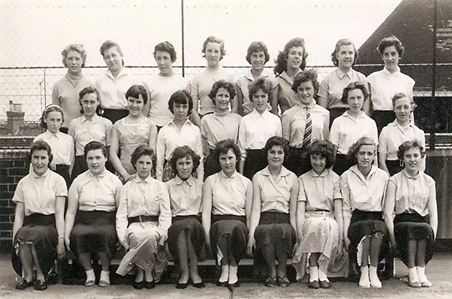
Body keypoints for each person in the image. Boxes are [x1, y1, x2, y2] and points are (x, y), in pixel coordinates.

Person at [65, 141, 123, 287]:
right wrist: (66, 234)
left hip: (107, 219)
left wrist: (121, 233)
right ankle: (89, 272)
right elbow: (71, 211)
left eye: (98, 157)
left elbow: (120, 210)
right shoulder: (78, 181)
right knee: (77, 235)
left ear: (105, 158)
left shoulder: (115, 181)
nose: (94, 162)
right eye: (90, 158)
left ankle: (105, 272)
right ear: (85, 160)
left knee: (105, 234)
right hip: (84, 219)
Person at [12, 141, 67, 291]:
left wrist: (61, 240)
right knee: (22, 234)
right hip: (29, 223)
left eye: (43, 158)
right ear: (31, 159)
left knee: (35, 235)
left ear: (49, 159)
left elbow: (60, 213)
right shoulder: (23, 182)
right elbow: (19, 215)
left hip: (49, 224)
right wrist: (14, 237)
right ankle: (28, 276)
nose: (39, 162)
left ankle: (42, 276)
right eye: (36, 157)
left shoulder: (58, 180)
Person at [116, 145, 171, 290]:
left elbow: (165, 213)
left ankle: (143, 271)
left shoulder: (160, 186)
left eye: (148, 163)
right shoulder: (127, 187)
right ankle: (145, 271)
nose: (144, 167)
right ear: (134, 164)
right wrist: (122, 238)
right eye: (141, 162)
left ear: (152, 165)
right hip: (134, 225)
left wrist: (163, 232)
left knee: (151, 235)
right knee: (136, 235)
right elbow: (121, 215)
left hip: (154, 225)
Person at [292, 140, 346, 289]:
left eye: (321, 158)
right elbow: (300, 210)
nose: (317, 162)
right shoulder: (302, 179)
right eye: (314, 158)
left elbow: (339, 211)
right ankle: (314, 268)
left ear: (327, 159)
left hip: (329, 217)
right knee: (317, 224)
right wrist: (299, 234)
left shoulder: (335, 179)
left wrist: (341, 238)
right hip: (310, 217)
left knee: (329, 225)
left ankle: (322, 270)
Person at [384, 140, 437, 288]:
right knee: (411, 229)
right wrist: (392, 239)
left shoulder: (429, 181)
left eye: (416, 155)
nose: (412, 160)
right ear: (402, 158)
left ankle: (421, 272)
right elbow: (388, 213)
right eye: (408, 156)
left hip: (421, 221)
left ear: (421, 157)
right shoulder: (394, 180)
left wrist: (433, 236)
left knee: (424, 229)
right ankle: (412, 271)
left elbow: (433, 214)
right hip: (401, 223)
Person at [247, 137, 298, 287]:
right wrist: (251, 235)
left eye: (280, 153)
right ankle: (271, 272)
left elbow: (293, 212)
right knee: (264, 230)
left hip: (284, 218)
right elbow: (256, 208)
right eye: (272, 152)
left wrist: (297, 236)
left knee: (285, 230)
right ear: (266, 154)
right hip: (265, 217)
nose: (276, 156)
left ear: (284, 155)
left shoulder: (292, 177)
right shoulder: (258, 177)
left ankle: (282, 271)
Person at [202, 139, 252, 288]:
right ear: (218, 160)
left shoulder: (246, 182)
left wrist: (250, 235)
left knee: (235, 228)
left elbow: (249, 213)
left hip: (239, 223)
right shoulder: (211, 181)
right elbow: (206, 212)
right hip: (218, 222)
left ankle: (234, 268)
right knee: (223, 228)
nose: (227, 162)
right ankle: (225, 267)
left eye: (230, 158)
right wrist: (206, 234)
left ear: (237, 158)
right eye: (223, 159)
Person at [340, 137, 389, 288]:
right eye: (362, 153)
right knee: (367, 227)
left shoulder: (383, 176)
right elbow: (346, 209)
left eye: (370, 153)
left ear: (375, 155)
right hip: (357, 219)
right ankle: (364, 271)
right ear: (356, 154)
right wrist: (345, 234)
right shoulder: (346, 176)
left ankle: (373, 271)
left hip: (377, 218)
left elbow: (387, 208)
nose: (366, 157)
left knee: (377, 227)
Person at [166, 146, 205, 289]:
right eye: (181, 163)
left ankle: (193, 271)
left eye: (188, 163)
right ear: (175, 166)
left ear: (193, 164)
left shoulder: (201, 185)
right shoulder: (167, 186)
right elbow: (166, 212)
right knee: (183, 228)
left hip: (196, 222)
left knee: (190, 226)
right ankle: (185, 272)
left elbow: (202, 210)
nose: (184, 167)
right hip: (176, 223)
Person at [282, 69, 329, 176]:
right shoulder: (288, 114)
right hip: (295, 159)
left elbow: (325, 140)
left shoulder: (324, 113)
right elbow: (286, 144)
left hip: (317, 158)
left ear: (314, 89)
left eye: (308, 89)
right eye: (301, 89)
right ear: (296, 91)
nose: (305, 93)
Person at [367, 35, 415, 134]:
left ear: (399, 55)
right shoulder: (372, 79)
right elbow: (367, 111)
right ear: (382, 56)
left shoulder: (407, 81)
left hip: (400, 122)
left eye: (393, 54)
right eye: (386, 54)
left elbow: (410, 111)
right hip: (378, 123)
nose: (390, 58)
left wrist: (411, 130)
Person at [110, 85, 158, 183]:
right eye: (131, 101)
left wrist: (141, 174)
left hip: (144, 171)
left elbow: (152, 153)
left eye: (138, 102)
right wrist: (125, 175)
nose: (134, 105)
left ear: (144, 103)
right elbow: (112, 153)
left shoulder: (150, 125)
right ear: (126, 100)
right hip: (123, 171)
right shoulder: (118, 125)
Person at [329, 81, 378, 176]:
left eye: (359, 98)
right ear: (346, 100)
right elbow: (333, 151)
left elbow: (374, 150)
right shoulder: (338, 121)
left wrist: (375, 170)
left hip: (364, 165)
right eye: (352, 98)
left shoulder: (370, 123)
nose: (356, 102)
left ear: (364, 99)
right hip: (343, 164)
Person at [317, 39, 369, 126]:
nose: (347, 56)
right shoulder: (327, 80)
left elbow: (366, 110)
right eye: (343, 53)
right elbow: (322, 112)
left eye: (350, 53)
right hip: (334, 123)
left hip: (357, 122)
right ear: (337, 55)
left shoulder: (361, 78)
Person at [238, 78, 282, 180]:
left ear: (268, 97)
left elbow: (279, 149)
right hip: (251, 163)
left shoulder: (275, 120)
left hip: (270, 162)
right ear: (251, 98)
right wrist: (241, 176)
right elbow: (242, 151)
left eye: (263, 96)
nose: (260, 100)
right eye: (256, 96)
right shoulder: (245, 120)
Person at [156, 90, 204, 182]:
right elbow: (159, 160)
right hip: (170, 173)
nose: (181, 110)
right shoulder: (164, 131)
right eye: (177, 106)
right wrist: (159, 183)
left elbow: (200, 158)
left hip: (190, 172)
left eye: (184, 106)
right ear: (172, 107)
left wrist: (200, 181)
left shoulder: (195, 130)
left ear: (189, 108)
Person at [189, 36, 237, 126]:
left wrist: (227, 124)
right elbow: (193, 110)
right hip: (204, 120)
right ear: (205, 52)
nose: (213, 55)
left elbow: (234, 107)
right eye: (209, 51)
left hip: (224, 120)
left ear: (221, 54)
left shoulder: (229, 76)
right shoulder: (197, 78)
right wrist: (201, 127)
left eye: (216, 51)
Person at [68, 86, 113, 182]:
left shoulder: (106, 123)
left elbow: (110, 150)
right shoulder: (74, 124)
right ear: (81, 102)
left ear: (98, 102)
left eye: (92, 102)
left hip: (99, 164)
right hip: (80, 165)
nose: (89, 106)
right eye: (85, 102)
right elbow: (71, 151)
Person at [95, 40, 143, 124]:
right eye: (107, 57)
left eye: (114, 55)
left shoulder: (133, 79)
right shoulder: (99, 80)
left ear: (121, 55)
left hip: (127, 118)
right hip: (106, 119)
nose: (111, 59)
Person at [201, 80, 241, 179]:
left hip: (231, 160)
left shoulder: (238, 119)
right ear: (214, 97)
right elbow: (204, 142)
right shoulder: (206, 119)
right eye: (220, 95)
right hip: (214, 161)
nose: (223, 99)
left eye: (226, 96)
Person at [379, 93, 425, 176]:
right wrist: (389, 180)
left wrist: (417, 179)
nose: (402, 111)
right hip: (392, 171)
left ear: (411, 108)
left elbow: (422, 161)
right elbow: (381, 161)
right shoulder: (386, 131)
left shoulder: (418, 133)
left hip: (412, 172)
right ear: (394, 109)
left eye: (406, 107)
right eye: (399, 107)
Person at [144, 41, 187, 130]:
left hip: (175, 127)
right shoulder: (149, 83)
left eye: (165, 58)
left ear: (172, 59)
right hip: (154, 127)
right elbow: (145, 112)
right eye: (158, 58)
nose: (162, 62)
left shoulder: (183, 83)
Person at [52, 44, 93, 133]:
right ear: (65, 61)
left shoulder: (90, 85)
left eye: (77, 59)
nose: (74, 62)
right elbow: (55, 113)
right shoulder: (58, 85)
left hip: (85, 129)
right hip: (64, 129)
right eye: (70, 59)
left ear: (83, 61)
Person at [34, 104, 74, 187]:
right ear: (45, 119)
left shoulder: (68, 139)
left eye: (58, 120)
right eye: (52, 120)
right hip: (45, 173)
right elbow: (33, 162)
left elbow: (71, 160)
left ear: (62, 121)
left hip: (63, 174)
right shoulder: (40, 139)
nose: (55, 124)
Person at [236, 41, 275, 116]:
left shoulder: (272, 81)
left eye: (261, 56)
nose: (258, 59)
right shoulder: (241, 82)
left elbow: (273, 109)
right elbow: (239, 110)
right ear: (249, 58)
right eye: (254, 56)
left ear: (265, 58)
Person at [272, 37, 308, 115]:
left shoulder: (308, 79)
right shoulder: (277, 81)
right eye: (293, 53)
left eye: (300, 54)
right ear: (285, 57)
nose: (296, 56)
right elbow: (274, 111)